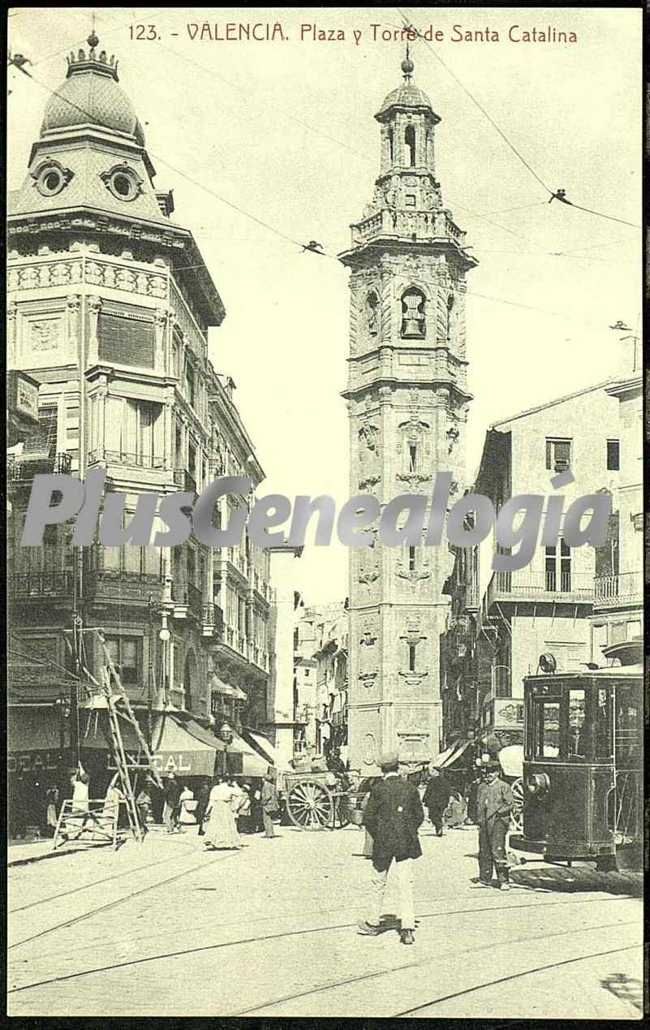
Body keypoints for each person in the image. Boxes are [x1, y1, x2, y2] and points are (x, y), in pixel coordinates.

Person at [358, 751, 424, 946]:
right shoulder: (410, 788)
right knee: (405, 884)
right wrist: (408, 831)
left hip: (384, 844)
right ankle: (408, 929)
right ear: (397, 767)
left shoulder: (378, 789)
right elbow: (419, 816)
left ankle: (372, 922)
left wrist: (380, 835)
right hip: (406, 843)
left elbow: (368, 817)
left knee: (378, 882)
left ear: (382, 769)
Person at [475, 758, 513, 890]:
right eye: (485, 772)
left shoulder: (504, 786)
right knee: (484, 851)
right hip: (484, 822)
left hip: (498, 822)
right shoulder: (482, 787)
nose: (487, 775)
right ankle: (485, 879)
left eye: (491, 772)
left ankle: (504, 880)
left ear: (497, 773)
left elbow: (510, 804)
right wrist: (478, 819)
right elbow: (478, 804)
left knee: (498, 850)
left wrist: (498, 813)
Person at [204, 776, 241, 850]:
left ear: (220, 780)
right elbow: (240, 793)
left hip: (216, 807)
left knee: (216, 824)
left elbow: (211, 801)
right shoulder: (230, 789)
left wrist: (207, 811)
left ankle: (214, 840)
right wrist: (235, 785)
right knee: (227, 824)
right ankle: (226, 842)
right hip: (226, 807)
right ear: (228, 781)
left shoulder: (215, 788)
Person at [422, 767, 451, 836]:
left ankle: (439, 826)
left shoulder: (432, 781)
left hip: (433, 802)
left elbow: (428, 791)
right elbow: (448, 792)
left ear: (437, 772)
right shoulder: (445, 781)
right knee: (439, 815)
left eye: (433, 771)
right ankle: (438, 829)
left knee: (432, 816)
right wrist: (447, 801)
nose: (432, 773)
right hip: (442, 802)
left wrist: (424, 799)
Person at [260, 770, 279, 838]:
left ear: (264, 779)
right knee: (270, 819)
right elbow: (277, 795)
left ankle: (268, 833)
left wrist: (263, 802)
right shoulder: (273, 786)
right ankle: (271, 833)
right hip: (273, 804)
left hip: (267, 805)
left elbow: (267, 796)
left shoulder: (266, 786)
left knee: (266, 819)